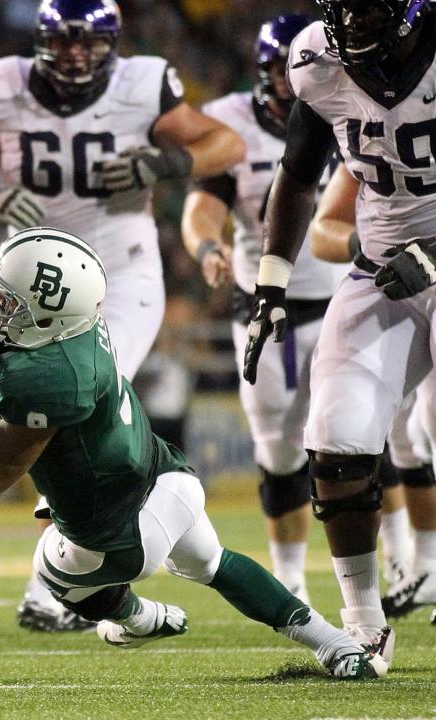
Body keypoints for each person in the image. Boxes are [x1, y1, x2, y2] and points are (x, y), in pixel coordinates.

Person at [0, 226, 389, 681]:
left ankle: (138, 617)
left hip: (119, 536)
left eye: (9, 303)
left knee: (51, 570)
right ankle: (336, 644)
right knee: (216, 563)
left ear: (45, 320)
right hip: (167, 478)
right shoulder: (71, 325)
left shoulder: (48, 381)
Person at [0, 0, 246, 631]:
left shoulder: (142, 84)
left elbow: (225, 143)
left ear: (112, 45)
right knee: (41, 408)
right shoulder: (6, 84)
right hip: (33, 284)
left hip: (119, 272)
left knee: (76, 396)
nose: (76, 54)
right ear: (43, 41)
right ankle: (78, 570)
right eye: (65, 41)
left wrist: (163, 163)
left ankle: (54, 585)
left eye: (89, 42)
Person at [242, 0, 436, 660]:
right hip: (380, 269)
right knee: (336, 440)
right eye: (343, 6)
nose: (352, 22)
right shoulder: (317, 61)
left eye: (369, 6)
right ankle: (363, 623)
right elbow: (296, 178)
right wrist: (270, 285)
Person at [181, 13, 345, 603]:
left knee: (368, 433)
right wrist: (207, 248)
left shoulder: (355, 102)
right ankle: (293, 576)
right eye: (279, 68)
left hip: (346, 294)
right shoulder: (231, 124)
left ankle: (410, 559)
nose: (288, 78)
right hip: (263, 304)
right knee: (277, 449)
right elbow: (204, 203)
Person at [308, 161, 436, 619]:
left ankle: (421, 560)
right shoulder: (361, 124)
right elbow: (322, 229)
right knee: (343, 434)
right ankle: (372, 614)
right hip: (385, 286)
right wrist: (368, 244)